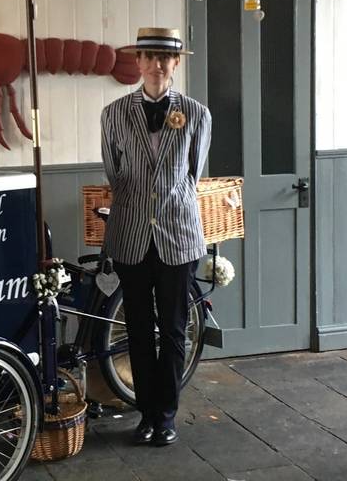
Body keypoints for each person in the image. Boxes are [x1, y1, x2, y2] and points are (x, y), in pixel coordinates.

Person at [100, 27, 211, 447]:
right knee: (140, 331)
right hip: (129, 235)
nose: (157, 65)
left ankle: (166, 416)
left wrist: (164, 202)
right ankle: (145, 413)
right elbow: (115, 173)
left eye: (166, 57)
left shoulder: (197, 114)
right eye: (149, 56)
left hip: (178, 236)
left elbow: (193, 174)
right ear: (138, 62)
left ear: (177, 63)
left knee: (175, 328)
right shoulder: (113, 113)